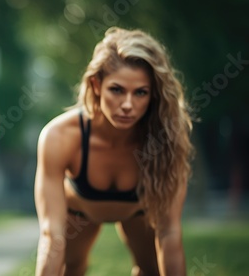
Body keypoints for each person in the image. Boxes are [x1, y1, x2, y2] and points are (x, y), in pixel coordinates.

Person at [34, 27, 194, 275]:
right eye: (117, 90)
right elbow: (51, 234)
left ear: (153, 95)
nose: (128, 105)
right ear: (97, 85)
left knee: (150, 269)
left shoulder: (168, 139)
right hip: (79, 213)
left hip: (138, 212)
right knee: (72, 268)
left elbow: (169, 233)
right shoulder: (59, 136)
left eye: (140, 92)